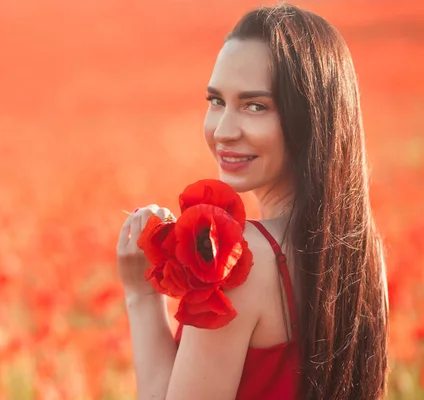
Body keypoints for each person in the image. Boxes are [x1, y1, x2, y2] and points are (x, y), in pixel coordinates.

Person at [115, 3, 389, 400]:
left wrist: (141, 296)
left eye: (255, 105)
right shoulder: (365, 255)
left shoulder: (238, 262)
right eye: (216, 101)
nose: (223, 131)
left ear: (310, 118)